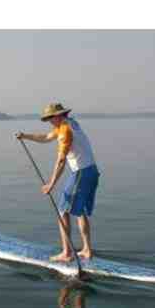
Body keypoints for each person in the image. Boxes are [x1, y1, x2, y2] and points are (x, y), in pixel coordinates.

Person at [16, 103, 100, 262]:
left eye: (50, 117)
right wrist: (25, 136)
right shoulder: (71, 123)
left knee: (62, 211)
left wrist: (51, 184)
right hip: (92, 171)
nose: (49, 121)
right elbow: (46, 137)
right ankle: (87, 250)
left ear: (59, 115)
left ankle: (67, 253)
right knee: (80, 212)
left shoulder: (65, 131)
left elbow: (61, 160)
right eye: (47, 118)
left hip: (81, 173)